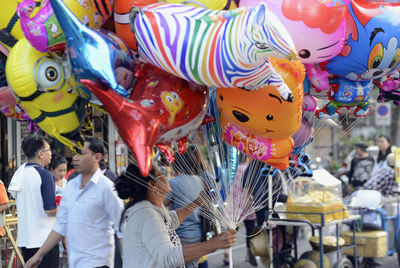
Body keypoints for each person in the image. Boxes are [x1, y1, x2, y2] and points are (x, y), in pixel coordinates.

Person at [25, 136, 124, 268]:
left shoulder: (107, 188)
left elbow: (122, 228)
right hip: (76, 262)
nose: (75, 158)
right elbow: (61, 224)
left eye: (81, 153)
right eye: (75, 153)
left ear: (97, 157)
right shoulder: (71, 186)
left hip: (99, 262)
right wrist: (39, 255)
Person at [115, 163, 237, 268]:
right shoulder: (147, 215)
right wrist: (214, 244)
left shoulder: (152, 208)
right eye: (162, 173)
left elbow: (169, 222)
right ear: (153, 184)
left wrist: (197, 202)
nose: (167, 176)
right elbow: (168, 256)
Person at [8, 135, 59, 267]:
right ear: (41, 154)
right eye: (49, 150)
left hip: (26, 239)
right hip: (45, 240)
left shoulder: (20, 173)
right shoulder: (46, 175)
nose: (51, 154)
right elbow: (50, 210)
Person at [164, 150, 205, 268]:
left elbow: (163, 203)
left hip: (181, 234)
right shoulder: (200, 181)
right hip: (197, 234)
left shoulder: (174, 183)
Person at [49, 154, 68, 268]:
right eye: (59, 170)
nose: (62, 173)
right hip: (53, 221)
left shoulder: (67, 183)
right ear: (52, 170)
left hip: (66, 221)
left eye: (64, 170)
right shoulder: (49, 184)